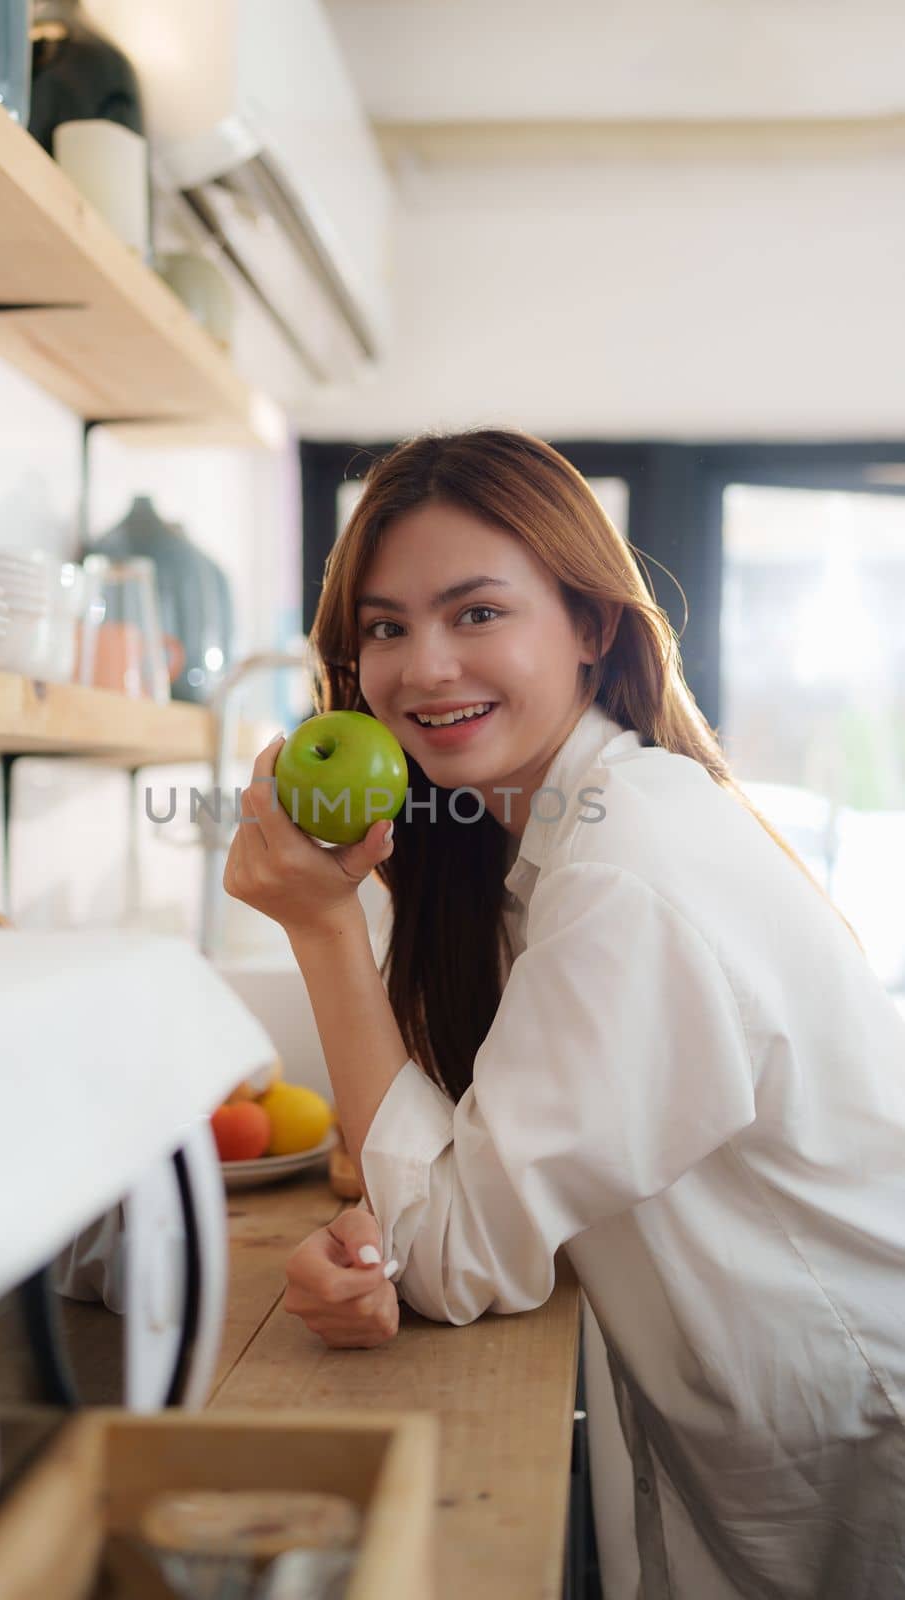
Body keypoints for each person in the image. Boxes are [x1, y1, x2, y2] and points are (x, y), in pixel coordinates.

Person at [222, 427, 905, 1599]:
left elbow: (452, 1251)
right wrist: (387, 1233)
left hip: (848, 1431)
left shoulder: (624, 869)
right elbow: (472, 1187)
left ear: (591, 626)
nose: (423, 666)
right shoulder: (546, 833)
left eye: (475, 612)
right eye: (383, 627)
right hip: (773, 1412)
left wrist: (321, 928)